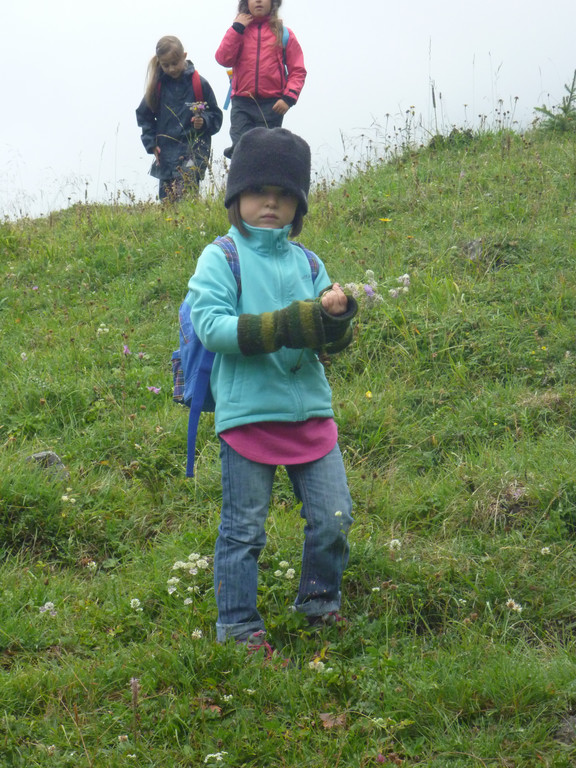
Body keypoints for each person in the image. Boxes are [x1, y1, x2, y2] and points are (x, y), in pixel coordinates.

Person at [186, 127, 356, 652]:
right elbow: (210, 326)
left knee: (334, 517)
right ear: (236, 196)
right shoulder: (221, 257)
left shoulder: (309, 262)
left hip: (310, 412)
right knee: (244, 531)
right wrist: (285, 325)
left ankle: (319, 603)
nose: (270, 203)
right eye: (259, 191)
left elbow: (331, 340)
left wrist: (338, 316)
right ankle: (238, 628)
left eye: (284, 195)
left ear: (298, 206)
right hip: (248, 415)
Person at [215, 0, 306, 158]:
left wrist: (288, 98)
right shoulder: (239, 31)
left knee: (267, 152)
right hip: (242, 102)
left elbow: (297, 70)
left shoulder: (283, 34)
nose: (258, 1)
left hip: (272, 105)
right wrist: (236, 29)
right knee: (241, 147)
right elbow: (223, 59)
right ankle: (239, 167)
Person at [136, 36, 223, 201]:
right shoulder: (157, 87)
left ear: (184, 56)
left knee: (186, 197)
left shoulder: (199, 84)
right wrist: (151, 143)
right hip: (166, 155)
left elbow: (216, 116)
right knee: (167, 202)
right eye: (166, 65)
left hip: (194, 151)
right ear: (159, 63)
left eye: (175, 63)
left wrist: (204, 121)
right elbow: (144, 116)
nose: (171, 69)